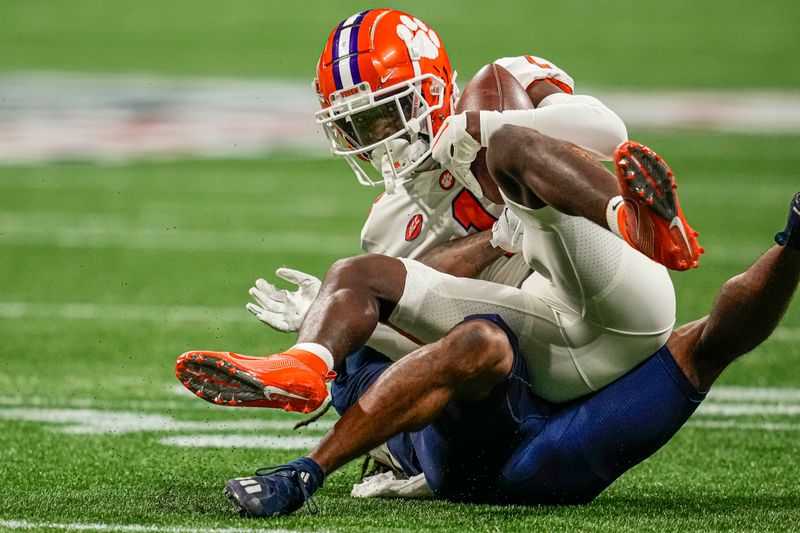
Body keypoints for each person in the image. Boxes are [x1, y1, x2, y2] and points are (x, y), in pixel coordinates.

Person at [175, 8, 702, 412]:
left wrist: (486, 128)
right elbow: (442, 338)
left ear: (429, 88)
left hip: (610, 275)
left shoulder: (497, 87)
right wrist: (337, 318)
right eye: (358, 127)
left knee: (506, 141)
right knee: (367, 279)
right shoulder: (387, 222)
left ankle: (631, 220)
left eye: (386, 115)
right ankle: (306, 365)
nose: (378, 140)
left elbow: (610, 133)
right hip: (546, 345)